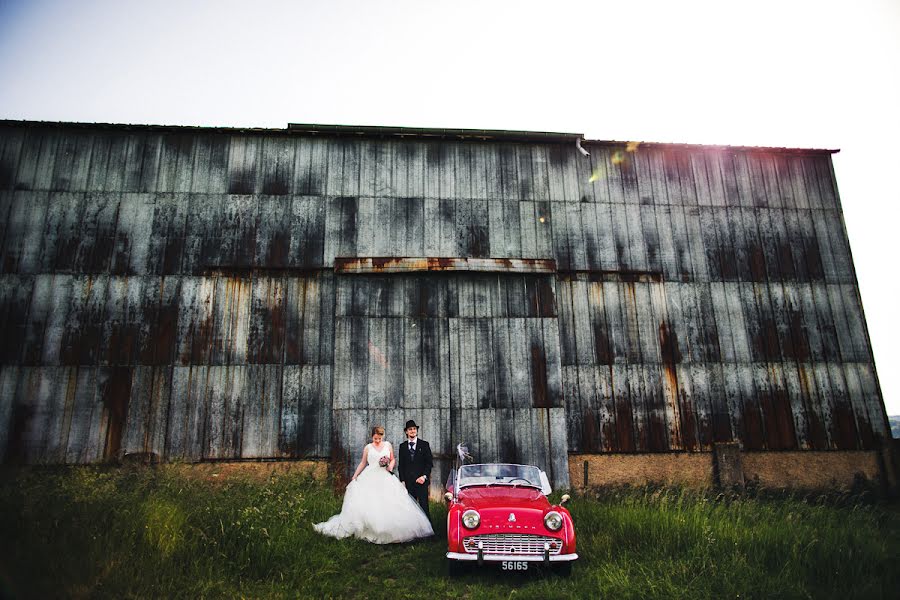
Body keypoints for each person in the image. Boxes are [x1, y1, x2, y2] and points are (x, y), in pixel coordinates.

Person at [313, 426, 433, 544]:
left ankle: (393, 530)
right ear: (372, 437)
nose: (377, 441)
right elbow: (363, 463)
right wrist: (355, 476)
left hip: (385, 477)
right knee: (371, 503)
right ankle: (371, 529)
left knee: (391, 502)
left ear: (382, 437)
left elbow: (393, 459)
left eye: (379, 438)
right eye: (375, 438)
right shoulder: (368, 448)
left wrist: (390, 465)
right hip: (370, 476)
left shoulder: (387, 445)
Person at [397, 419, 433, 518]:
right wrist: (402, 480)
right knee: (410, 508)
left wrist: (424, 476)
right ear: (406, 432)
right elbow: (401, 465)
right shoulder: (402, 446)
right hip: (409, 482)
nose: (412, 431)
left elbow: (429, 463)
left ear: (416, 431)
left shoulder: (424, 444)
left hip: (421, 481)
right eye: (410, 429)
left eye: (414, 429)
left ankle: (428, 532)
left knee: (424, 506)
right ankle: (412, 531)